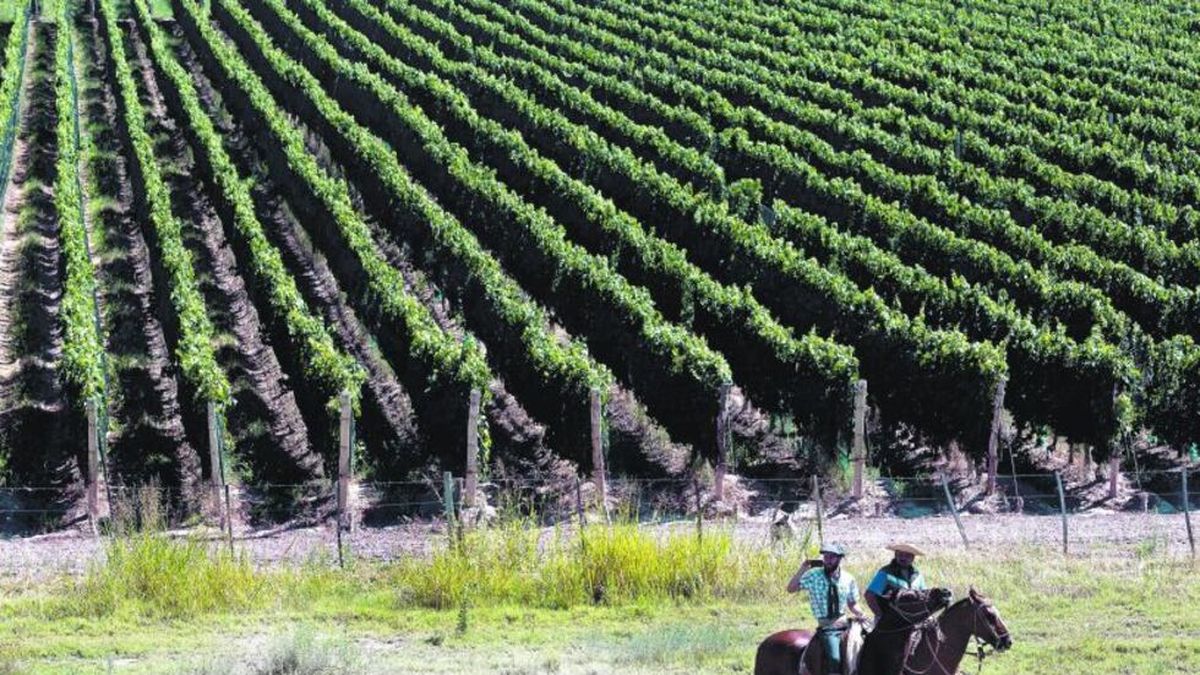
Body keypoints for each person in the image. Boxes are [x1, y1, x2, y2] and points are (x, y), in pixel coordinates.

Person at [787, 543, 866, 674]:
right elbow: (791, 588)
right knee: (834, 659)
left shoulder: (848, 578)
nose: (828, 560)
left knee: (868, 644)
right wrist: (803, 568)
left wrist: (860, 613)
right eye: (825, 557)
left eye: (832, 557)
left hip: (845, 623)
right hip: (827, 627)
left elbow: (852, 603)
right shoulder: (813, 575)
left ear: (839, 558)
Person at [864, 543, 928, 621]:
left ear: (913, 557)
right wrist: (880, 615)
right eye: (900, 554)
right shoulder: (886, 573)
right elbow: (869, 595)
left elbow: (924, 597)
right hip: (890, 620)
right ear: (895, 555)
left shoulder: (917, 575)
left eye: (907, 555)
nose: (903, 558)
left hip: (912, 620)